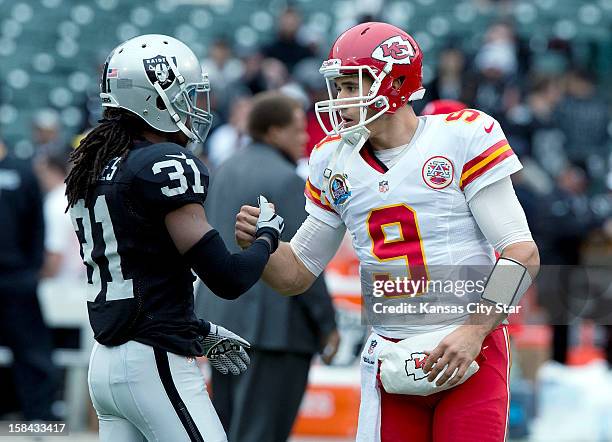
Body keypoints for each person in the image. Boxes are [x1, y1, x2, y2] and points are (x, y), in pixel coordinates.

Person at [235, 22, 540, 442]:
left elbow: (521, 253)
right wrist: (262, 245)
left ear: (396, 82)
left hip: (469, 351)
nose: (339, 100)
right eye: (337, 87)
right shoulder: (333, 161)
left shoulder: (462, 136)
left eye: (349, 85)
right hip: (392, 358)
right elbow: (297, 273)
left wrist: (474, 331)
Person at [64, 34, 284, 442]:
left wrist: (196, 327)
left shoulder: (94, 167)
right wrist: (267, 237)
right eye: (185, 94)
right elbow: (227, 278)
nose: (196, 106)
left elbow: (140, 274)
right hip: (153, 363)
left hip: (108, 362)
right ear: (155, 98)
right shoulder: (165, 162)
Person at [197, 91, 339, 442]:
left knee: (224, 431)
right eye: (296, 129)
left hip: (222, 323)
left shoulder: (225, 168)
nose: (306, 136)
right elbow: (303, 260)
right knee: (262, 433)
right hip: (276, 331)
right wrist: (327, 324)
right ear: (274, 131)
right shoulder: (287, 181)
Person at [0, 138, 60, 421]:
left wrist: (30, 271)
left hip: (16, 279)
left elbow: (37, 224)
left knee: (32, 352)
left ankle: (40, 417)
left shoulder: (21, 172)